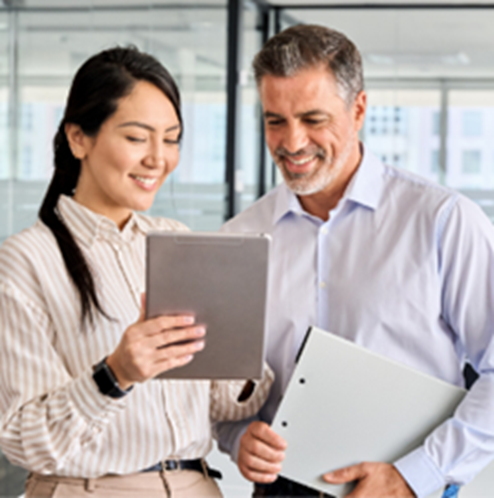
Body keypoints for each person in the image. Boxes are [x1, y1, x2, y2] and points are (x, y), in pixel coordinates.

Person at [215, 24, 494, 498]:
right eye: (274, 120)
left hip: (406, 485)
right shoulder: (240, 239)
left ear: (359, 109)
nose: (292, 141)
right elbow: (219, 391)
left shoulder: (442, 221)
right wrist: (236, 437)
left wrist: (416, 473)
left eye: (313, 118)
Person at [0, 46, 272, 498]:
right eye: (136, 137)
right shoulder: (26, 260)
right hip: (90, 489)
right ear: (78, 138)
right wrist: (116, 373)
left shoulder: (174, 238)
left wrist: (242, 337)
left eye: (171, 139)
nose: (158, 158)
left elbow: (224, 403)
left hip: (196, 486)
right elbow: (23, 440)